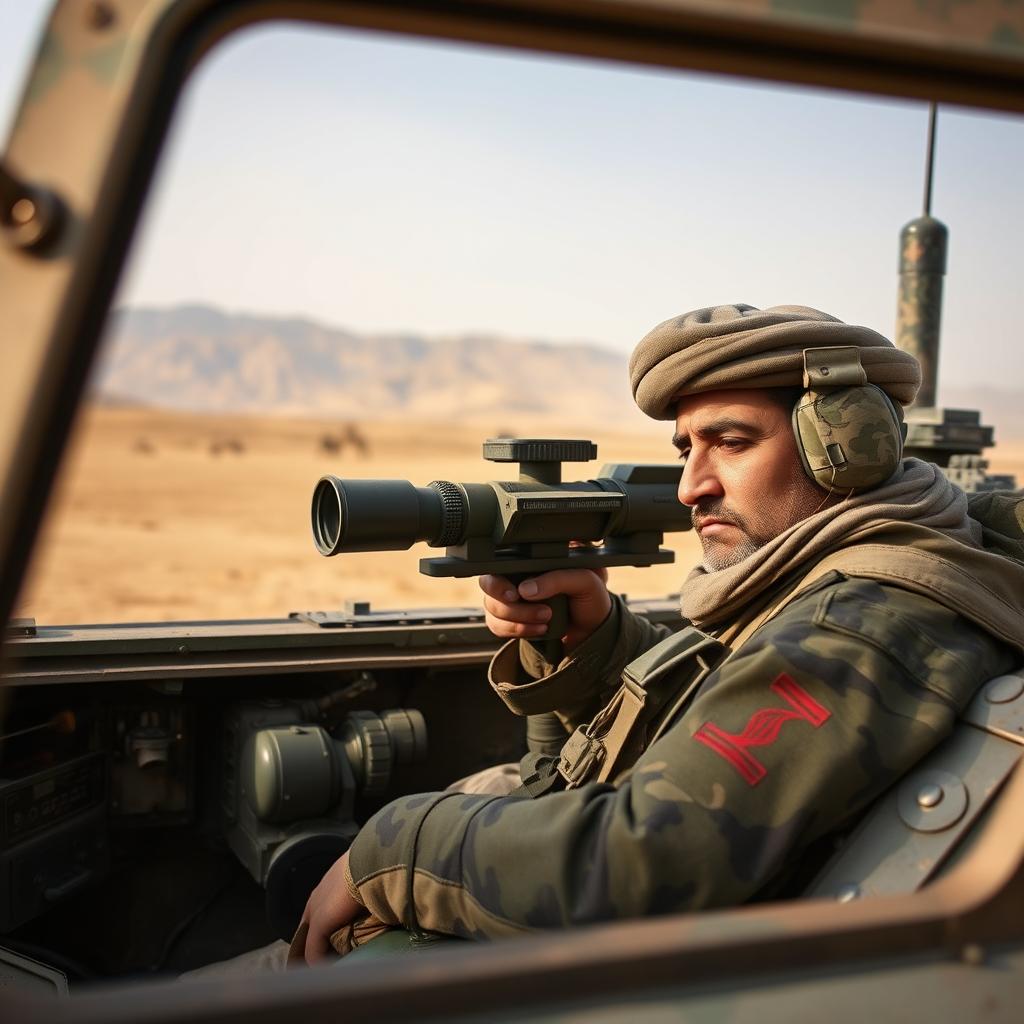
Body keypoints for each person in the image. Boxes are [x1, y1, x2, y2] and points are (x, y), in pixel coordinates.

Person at [294, 303, 1024, 964]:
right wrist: (598, 647)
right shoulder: (872, 562)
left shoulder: (865, 624)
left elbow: (642, 862)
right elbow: (731, 707)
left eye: (730, 443)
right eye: (685, 450)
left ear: (844, 447)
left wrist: (399, 846)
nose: (690, 486)